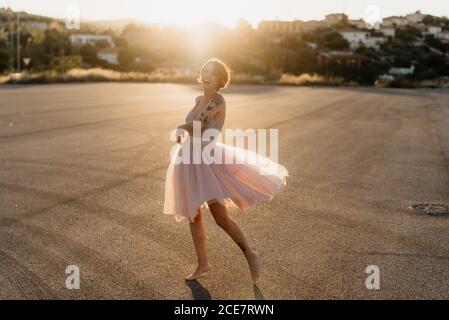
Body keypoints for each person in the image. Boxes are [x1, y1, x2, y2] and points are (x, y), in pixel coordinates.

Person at [164, 58, 289, 282]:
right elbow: (194, 126)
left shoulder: (218, 100)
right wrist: (184, 134)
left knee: (220, 217)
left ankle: (250, 254)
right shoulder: (198, 99)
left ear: (220, 78)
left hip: (208, 160)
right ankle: (203, 265)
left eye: (211, 71)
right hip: (189, 157)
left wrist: (182, 127)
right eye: (204, 69)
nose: (205, 73)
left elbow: (201, 124)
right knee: (193, 215)